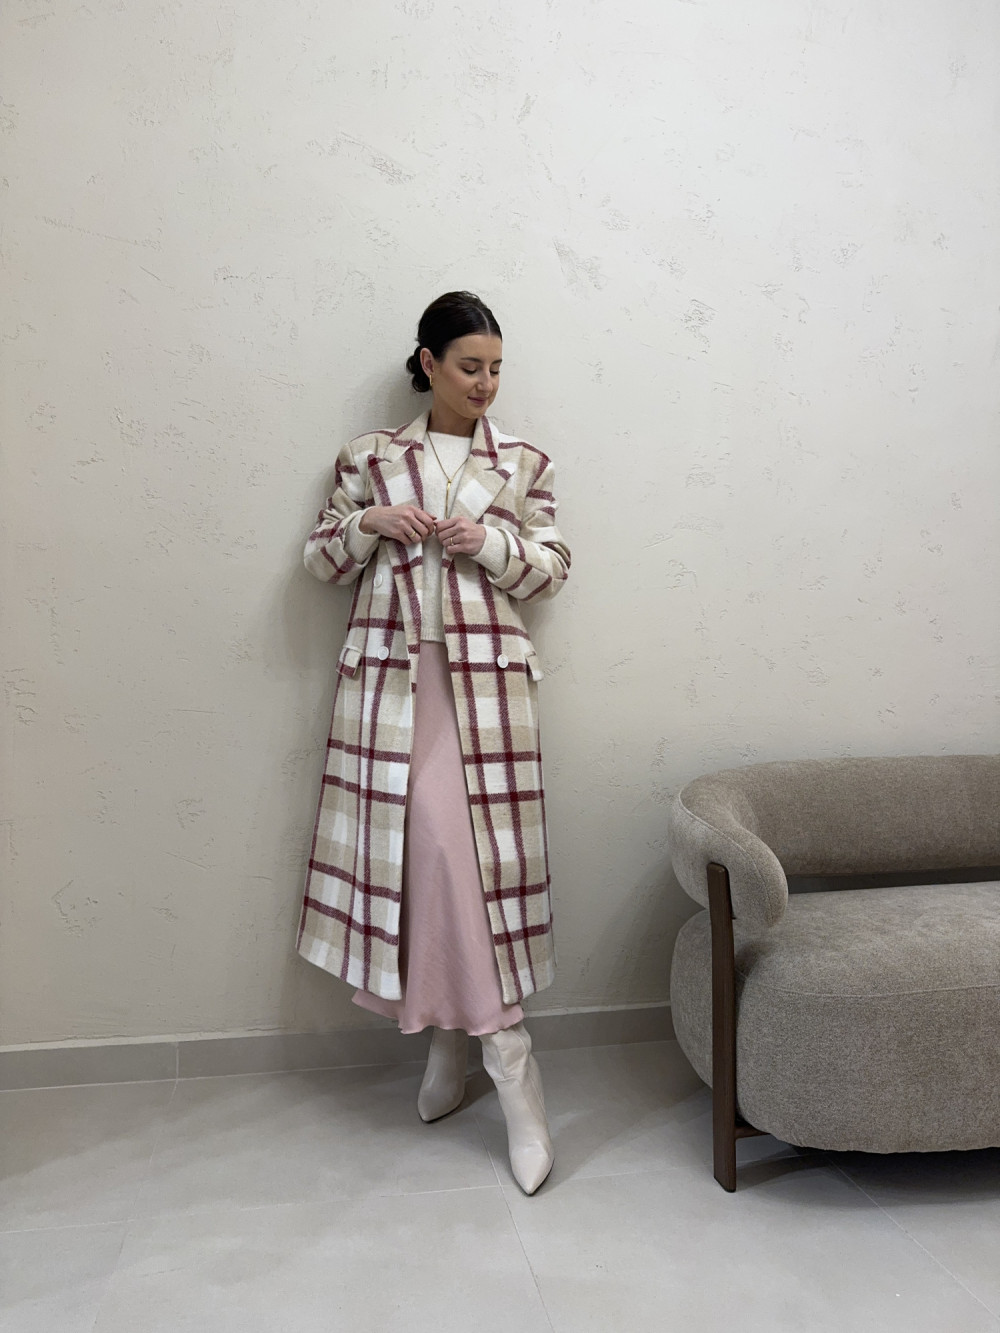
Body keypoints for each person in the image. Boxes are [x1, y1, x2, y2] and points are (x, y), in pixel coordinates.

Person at [296, 291, 570, 1194]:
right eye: (468, 366)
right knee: (424, 867)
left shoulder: (524, 463)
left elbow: (552, 570)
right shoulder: (371, 458)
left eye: (496, 368)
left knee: (466, 865)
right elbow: (320, 560)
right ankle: (456, 1048)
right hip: (390, 696)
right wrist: (367, 524)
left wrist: (487, 542)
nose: (485, 383)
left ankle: (507, 1068)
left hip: (483, 698)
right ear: (428, 363)